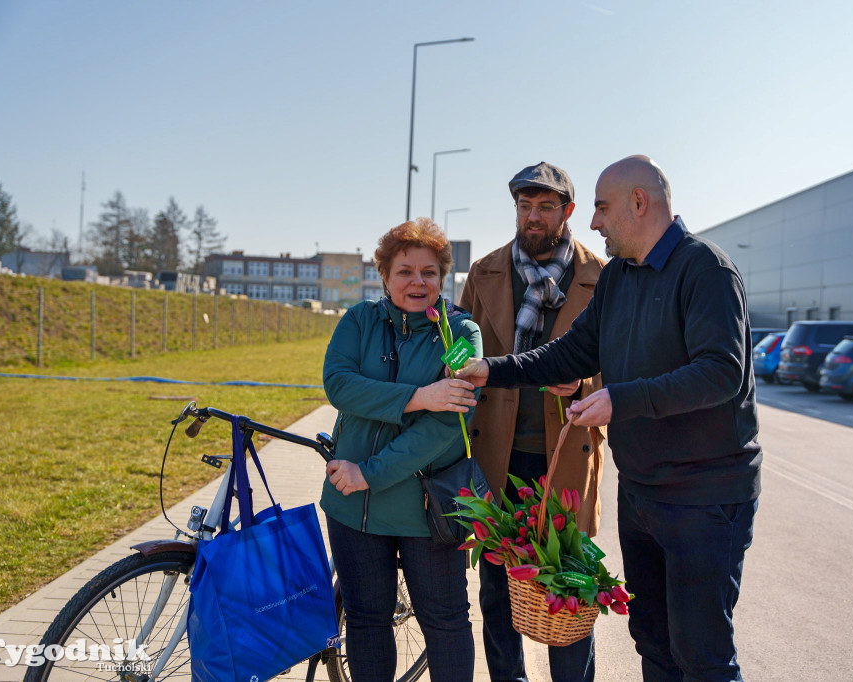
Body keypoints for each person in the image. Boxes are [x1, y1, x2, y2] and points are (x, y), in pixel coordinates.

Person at [455, 156, 762, 682]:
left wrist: (621, 400)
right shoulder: (621, 275)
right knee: (654, 641)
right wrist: (491, 370)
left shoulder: (706, 270)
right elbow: (570, 354)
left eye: (601, 207)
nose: (593, 222)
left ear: (639, 203)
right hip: (643, 493)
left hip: (704, 498)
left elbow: (720, 374)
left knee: (702, 652)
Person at [459, 161, 606, 682]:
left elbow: (622, 361)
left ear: (568, 212)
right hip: (496, 453)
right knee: (498, 589)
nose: (533, 217)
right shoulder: (485, 272)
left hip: (567, 451)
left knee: (567, 585)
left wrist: (585, 384)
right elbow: (460, 351)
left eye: (545, 207)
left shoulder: (602, 277)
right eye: (525, 206)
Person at [322, 217, 482, 682]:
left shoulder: (461, 335)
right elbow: (339, 384)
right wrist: (419, 397)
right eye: (405, 271)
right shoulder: (359, 321)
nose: (418, 282)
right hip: (354, 509)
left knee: (446, 622)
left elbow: (448, 423)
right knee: (367, 621)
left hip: (426, 512)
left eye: (429, 272)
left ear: (443, 278)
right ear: (385, 277)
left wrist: (368, 473)